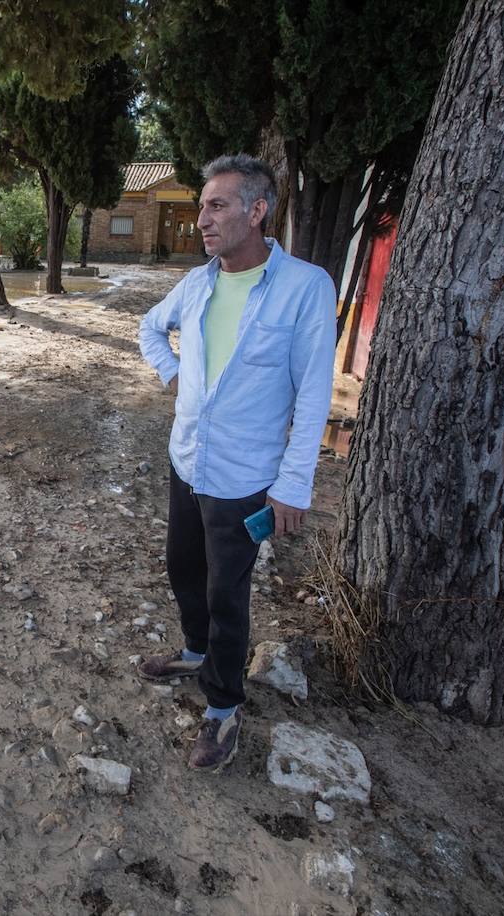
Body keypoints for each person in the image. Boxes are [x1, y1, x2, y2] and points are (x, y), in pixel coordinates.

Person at [137, 154, 335, 771]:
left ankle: (222, 706)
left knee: (229, 592)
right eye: (201, 206)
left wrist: (294, 485)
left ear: (257, 210)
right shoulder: (198, 283)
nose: (202, 218)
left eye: (217, 205)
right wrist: (173, 375)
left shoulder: (305, 287)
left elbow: (312, 395)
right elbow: (149, 327)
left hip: (246, 478)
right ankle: (196, 651)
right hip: (187, 460)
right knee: (181, 567)